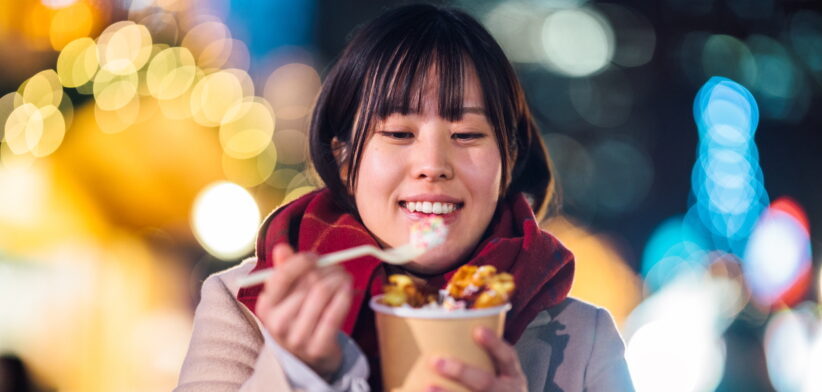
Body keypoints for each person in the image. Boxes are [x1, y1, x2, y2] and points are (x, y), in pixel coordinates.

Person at [175, 4, 635, 392]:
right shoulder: (248, 304)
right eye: (398, 132)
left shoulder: (581, 339)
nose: (433, 164)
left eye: (467, 134)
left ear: (508, 159)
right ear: (343, 158)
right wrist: (298, 371)